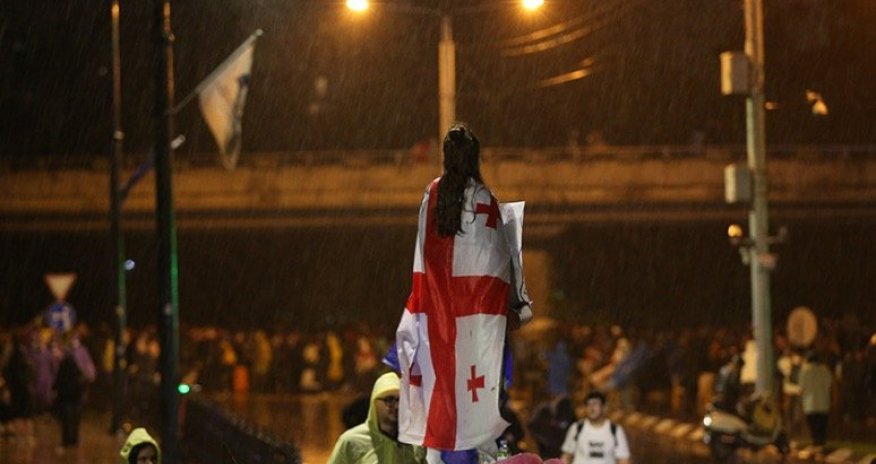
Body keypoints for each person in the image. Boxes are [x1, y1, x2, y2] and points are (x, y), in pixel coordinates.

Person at [394, 123, 532, 463]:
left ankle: (435, 459)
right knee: (482, 395)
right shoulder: (487, 200)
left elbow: (423, 258)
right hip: (482, 321)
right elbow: (504, 262)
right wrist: (517, 306)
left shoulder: (432, 196)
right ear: (475, 158)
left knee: (440, 394)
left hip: (440, 318)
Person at [328, 371, 426, 464]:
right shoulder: (352, 442)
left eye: (400, 400)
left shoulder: (415, 444)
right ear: (374, 402)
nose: (396, 406)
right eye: (389, 400)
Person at [560, 391, 631, 464]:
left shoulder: (615, 430)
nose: (592, 408)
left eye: (595, 404)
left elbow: (624, 459)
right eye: (589, 405)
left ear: (604, 407)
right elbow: (566, 456)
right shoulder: (577, 428)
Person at [798, 352, 832, 447]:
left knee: (813, 425)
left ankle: (816, 442)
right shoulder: (825, 370)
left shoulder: (804, 371)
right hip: (823, 403)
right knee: (822, 426)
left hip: (810, 404)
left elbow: (801, 387)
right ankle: (822, 443)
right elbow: (829, 384)